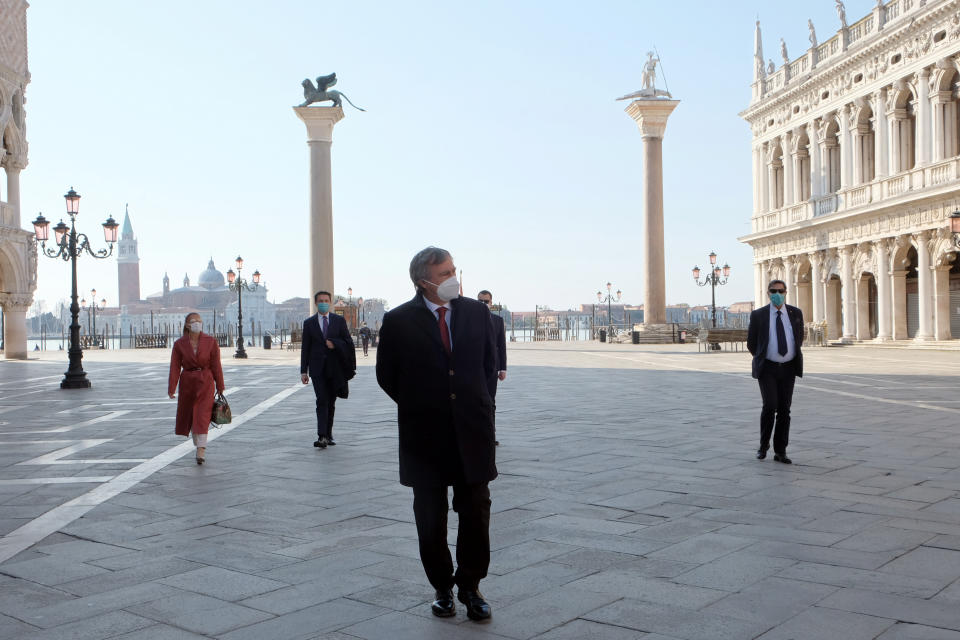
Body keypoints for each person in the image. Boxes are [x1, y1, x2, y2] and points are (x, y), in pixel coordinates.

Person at [376, 246, 497, 622]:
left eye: (453, 270)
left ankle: (471, 586)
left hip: (473, 432)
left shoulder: (478, 314)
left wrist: (477, 405)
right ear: (423, 281)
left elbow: (488, 367)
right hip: (424, 436)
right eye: (444, 274)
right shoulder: (397, 321)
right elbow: (387, 376)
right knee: (430, 519)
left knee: (476, 513)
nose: (452, 279)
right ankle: (442, 587)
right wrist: (422, 405)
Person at [747, 279, 804, 464]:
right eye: (773, 291)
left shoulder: (795, 313)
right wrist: (762, 356)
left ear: (786, 292)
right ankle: (763, 446)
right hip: (768, 368)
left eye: (780, 290)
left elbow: (798, 337)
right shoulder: (759, 315)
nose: (777, 294)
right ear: (768, 293)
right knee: (770, 406)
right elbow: (752, 343)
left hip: (788, 368)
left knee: (784, 410)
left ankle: (781, 450)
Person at [168, 312, 225, 465]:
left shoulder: (210, 341)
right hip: (187, 383)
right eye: (194, 321)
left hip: (205, 381)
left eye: (199, 321)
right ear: (187, 325)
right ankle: (198, 442)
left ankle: (201, 449)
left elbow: (216, 365)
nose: (197, 324)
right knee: (192, 417)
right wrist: (171, 388)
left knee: (203, 416)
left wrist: (220, 385)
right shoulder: (179, 344)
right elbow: (174, 367)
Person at [301, 291, 355, 448]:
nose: (323, 303)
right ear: (316, 303)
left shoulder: (338, 321)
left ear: (330, 302)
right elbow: (306, 348)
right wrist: (304, 371)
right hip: (317, 370)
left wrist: (335, 343)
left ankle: (329, 434)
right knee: (321, 400)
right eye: (320, 301)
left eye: (326, 300)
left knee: (331, 401)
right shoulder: (309, 323)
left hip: (334, 368)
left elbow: (348, 342)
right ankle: (322, 435)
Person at [477, 290, 506, 446]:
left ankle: (490, 434)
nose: (483, 304)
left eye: (485, 301)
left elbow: (501, 346)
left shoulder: (498, 321)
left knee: (490, 402)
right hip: (473, 368)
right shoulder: (470, 320)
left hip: (492, 368)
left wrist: (503, 368)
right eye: (480, 301)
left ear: (491, 303)